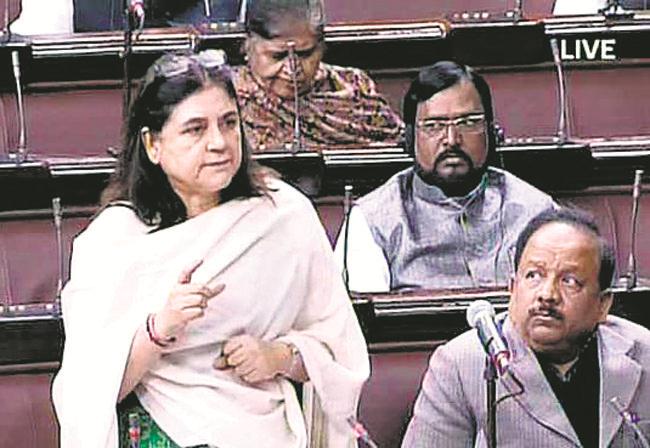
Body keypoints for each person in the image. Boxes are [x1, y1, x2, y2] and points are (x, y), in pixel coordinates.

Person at [52, 49, 369, 448]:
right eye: (195, 129)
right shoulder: (114, 241)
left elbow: (339, 351)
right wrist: (158, 329)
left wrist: (279, 356)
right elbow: (87, 395)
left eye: (229, 123)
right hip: (161, 429)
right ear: (153, 145)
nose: (219, 143)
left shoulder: (284, 217)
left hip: (265, 428)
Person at [401, 207, 650, 447]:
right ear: (512, 288)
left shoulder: (644, 353)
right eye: (533, 275)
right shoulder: (460, 365)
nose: (547, 294)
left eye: (569, 281)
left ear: (603, 304)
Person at [335, 61, 554, 293]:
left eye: (468, 123)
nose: (451, 139)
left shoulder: (536, 212)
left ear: (491, 132)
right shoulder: (372, 219)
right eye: (434, 125)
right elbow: (361, 321)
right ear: (409, 139)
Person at [233, 0, 404, 152]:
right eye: (278, 56)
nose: (292, 70)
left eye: (305, 54)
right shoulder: (229, 96)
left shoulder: (355, 87)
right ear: (246, 46)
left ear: (322, 47)